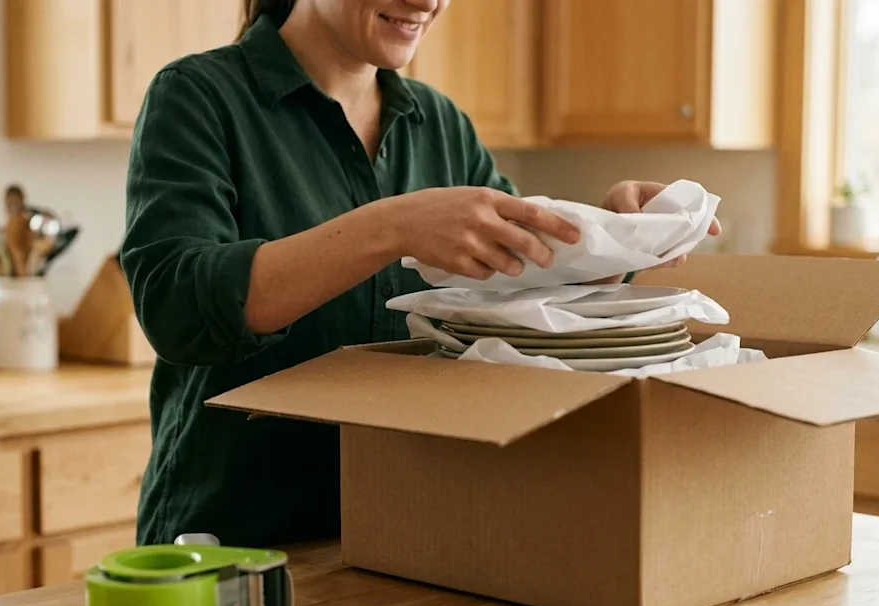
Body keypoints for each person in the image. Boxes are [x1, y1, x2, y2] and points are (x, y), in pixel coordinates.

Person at [121, 0, 721, 548]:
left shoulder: (441, 124)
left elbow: (521, 293)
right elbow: (177, 307)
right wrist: (394, 226)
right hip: (233, 541)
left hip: (407, 537)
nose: (428, 3)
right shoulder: (197, 96)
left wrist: (613, 242)